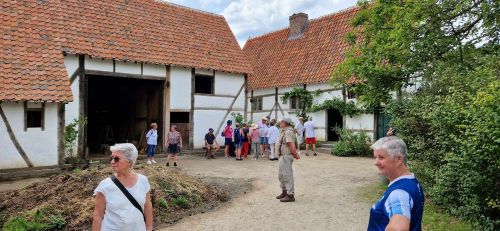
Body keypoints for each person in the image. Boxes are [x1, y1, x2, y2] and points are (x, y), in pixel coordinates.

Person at [368, 136, 425, 231]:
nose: (376, 162)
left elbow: (399, 228)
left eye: (381, 157)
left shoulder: (399, 193)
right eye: (375, 157)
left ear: (398, 159)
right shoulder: (412, 181)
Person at [92, 143, 153, 231]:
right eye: (111, 158)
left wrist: (149, 228)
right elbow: (97, 216)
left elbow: (148, 206)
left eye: (116, 159)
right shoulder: (105, 185)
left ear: (129, 162)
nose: (112, 161)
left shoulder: (143, 181)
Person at [275, 117, 300, 202]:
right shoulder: (284, 131)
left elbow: (290, 144)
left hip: (286, 155)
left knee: (287, 175)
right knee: (281, 175)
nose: (280, 123)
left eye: (281, 121)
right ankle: (284, 191)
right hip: (282, 156)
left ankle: (290, 194)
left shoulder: (288, 132)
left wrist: (295, 154)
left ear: (285, 122)